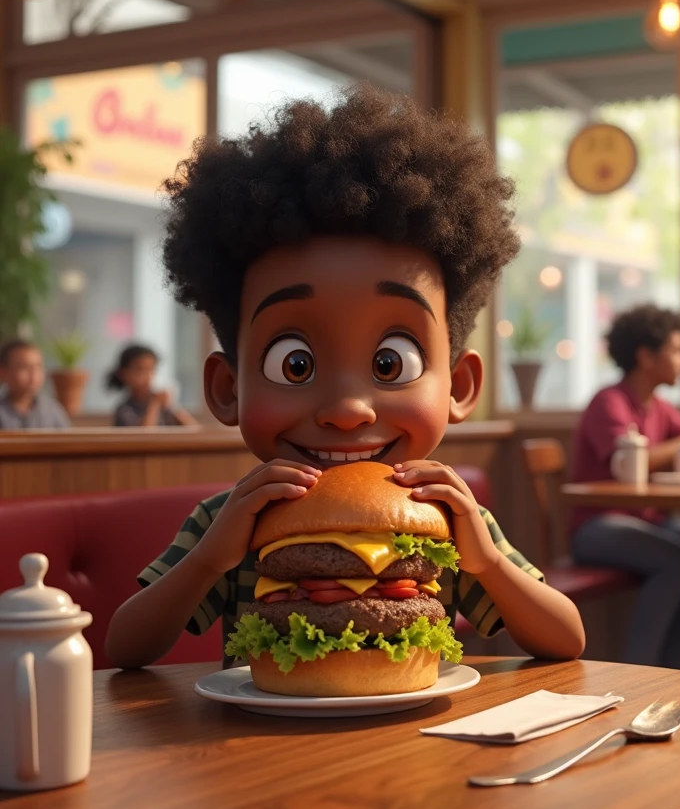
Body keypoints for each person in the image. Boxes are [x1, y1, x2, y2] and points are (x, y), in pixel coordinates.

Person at [105, 84, 585, 670]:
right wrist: (210, 557)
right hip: (256, 751)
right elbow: (123, 650)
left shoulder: (446, 515)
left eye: (391, 364)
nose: (348, 408)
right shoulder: (228, 515)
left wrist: (484, 561)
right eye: (295, 364)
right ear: (227, 390)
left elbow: (566, 640)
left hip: (421, 749)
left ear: (459, 386)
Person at [570, 304, 680, 669]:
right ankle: (644, 670)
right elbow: (628, 466)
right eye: (677, 350)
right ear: (646, 356)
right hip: (597, 527)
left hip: (645, 523)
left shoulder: (660, 407)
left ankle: (676, 674)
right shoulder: (610, 402)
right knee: (678, 562)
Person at [106, 344, 197, 428]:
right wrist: (154, 404)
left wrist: (171, 406)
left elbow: (193, 429)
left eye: (151, 370)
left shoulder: (164, 406)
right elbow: (144, 438)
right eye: (139, 370)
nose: (147, 376)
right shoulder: (125, 410)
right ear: (124, 374)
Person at [0, 339, 70, 430]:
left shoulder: (51, 409)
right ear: (3, 372)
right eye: (25, 367)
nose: (33, 374)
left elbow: (68, 441)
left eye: (38, 366)